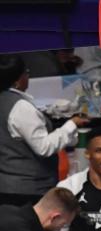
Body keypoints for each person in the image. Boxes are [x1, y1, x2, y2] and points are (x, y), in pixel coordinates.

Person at [0, 54, 89, 207]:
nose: (28, 76)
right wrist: (72, 124)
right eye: (26, 72)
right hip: (29, 191)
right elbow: (44, 147)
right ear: (17, 80)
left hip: (7, 186)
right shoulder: (20, 107)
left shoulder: (5, 101)